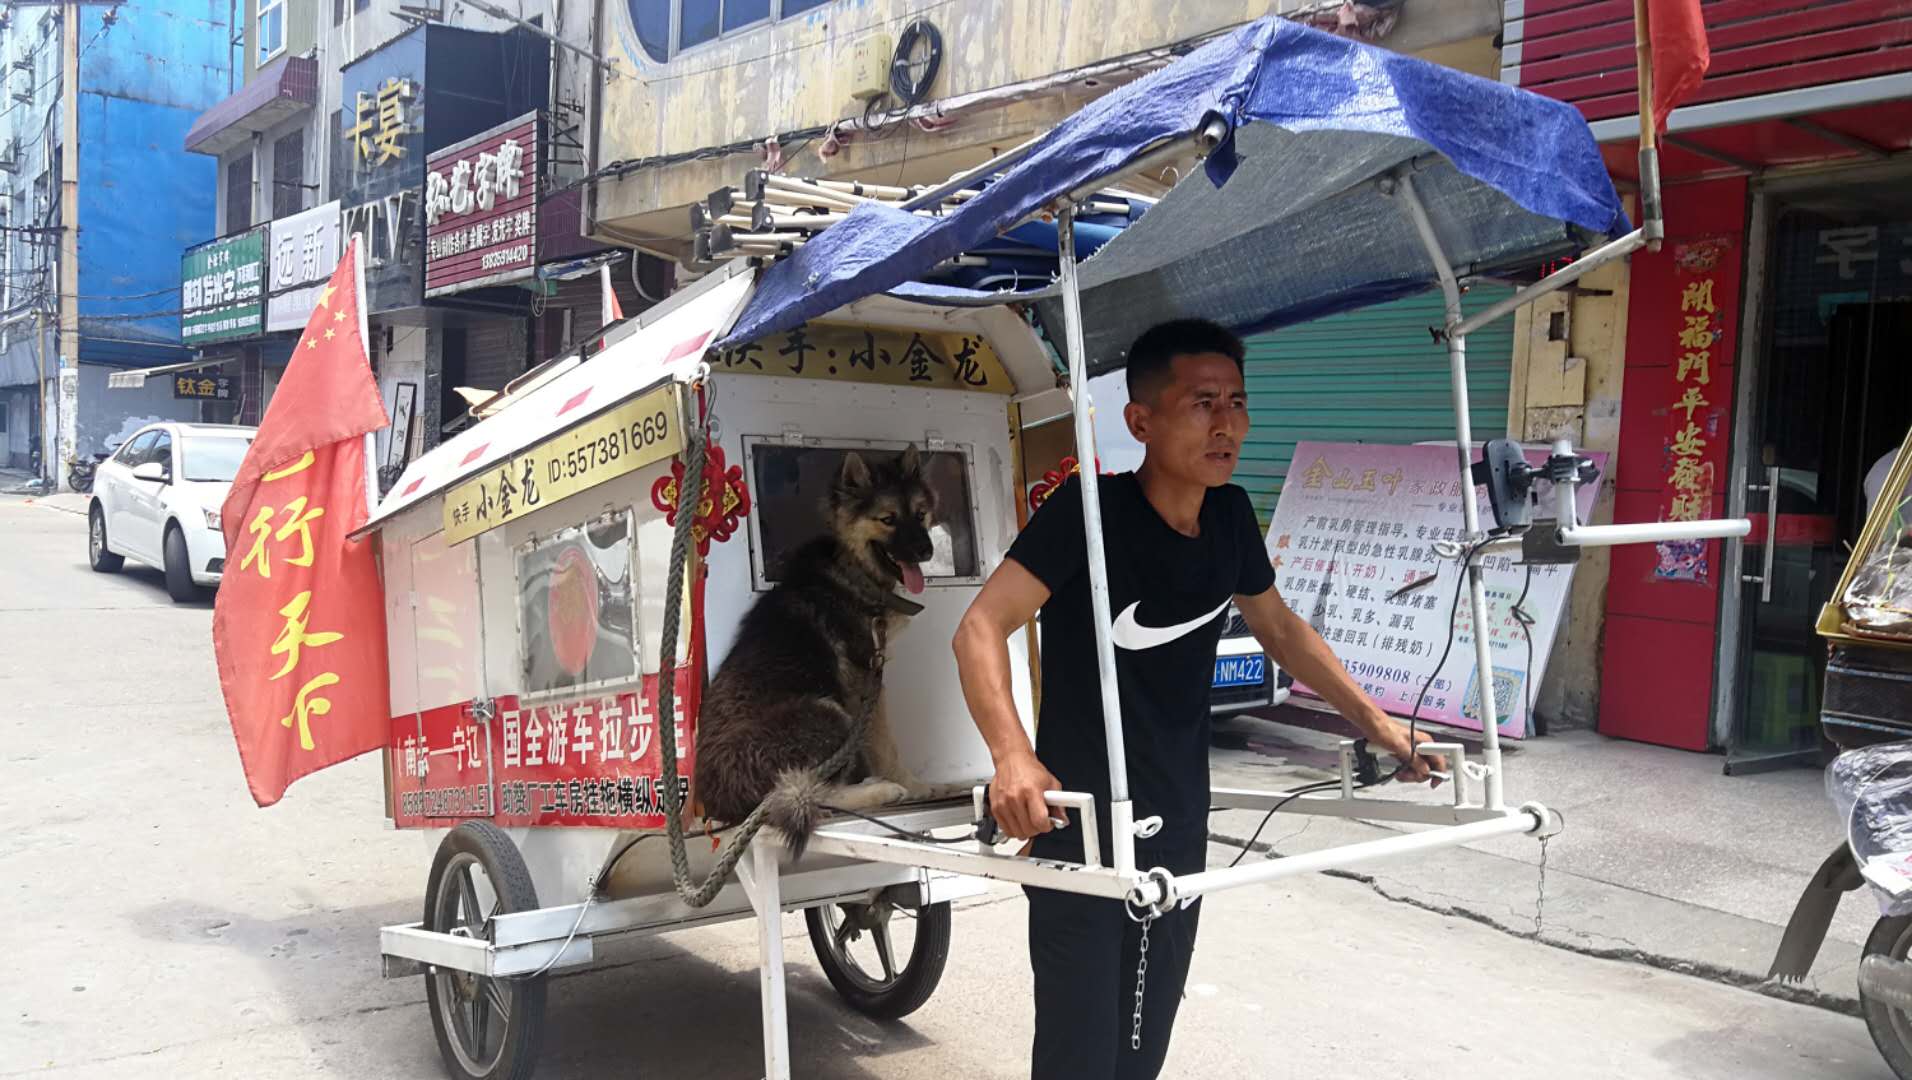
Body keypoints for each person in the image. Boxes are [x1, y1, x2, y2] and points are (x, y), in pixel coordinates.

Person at [952, 318, 1446, 1079]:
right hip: (1082, 827)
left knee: (1141, 1049)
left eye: (1237, 403)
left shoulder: (1230, 515)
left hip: (1179, 821)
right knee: (1079, 1058)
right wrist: (1013, 758)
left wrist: (1386, 730)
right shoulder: (1090, 513)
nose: (1227, 424)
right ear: (1140, 421)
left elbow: (1282, 630)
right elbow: (980, 628)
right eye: (1202, 403)